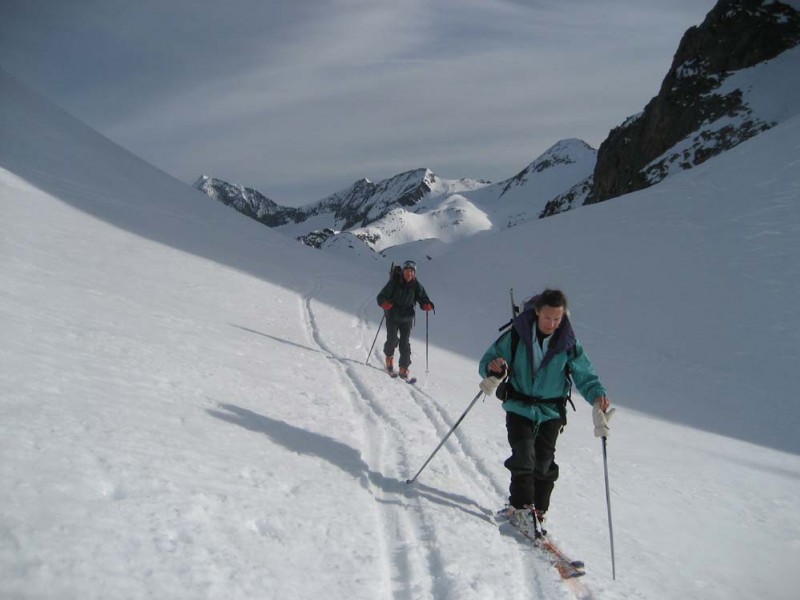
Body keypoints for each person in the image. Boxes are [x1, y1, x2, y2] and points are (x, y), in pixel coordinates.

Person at [478, 288, 614, 536]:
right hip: (519, 406)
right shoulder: (517, 336)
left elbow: (585, 375)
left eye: (557, 319)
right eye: (547, 318)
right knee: (523, 456)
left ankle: (538, 511)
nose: (552, 323)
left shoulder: (568, 343)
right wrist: (493, 367)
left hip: (551, 411)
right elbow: (490, 359)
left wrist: (597, 397)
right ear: (537, 313)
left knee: (544, 462)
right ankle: (521, 508)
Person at [376, 260, 434, 379]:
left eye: (412, 271)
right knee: (392, 339)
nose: (409, 273)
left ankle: (404, 367)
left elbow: (424, 299)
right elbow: (381, 296)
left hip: (407, 318)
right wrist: (384, 303)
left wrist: (427, 305)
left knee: (404, 343)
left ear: (414, 273)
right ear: (403, 271)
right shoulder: (394, 283)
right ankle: (389, 357)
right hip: (392, 315)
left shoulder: (416, 286)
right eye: (407, 270)